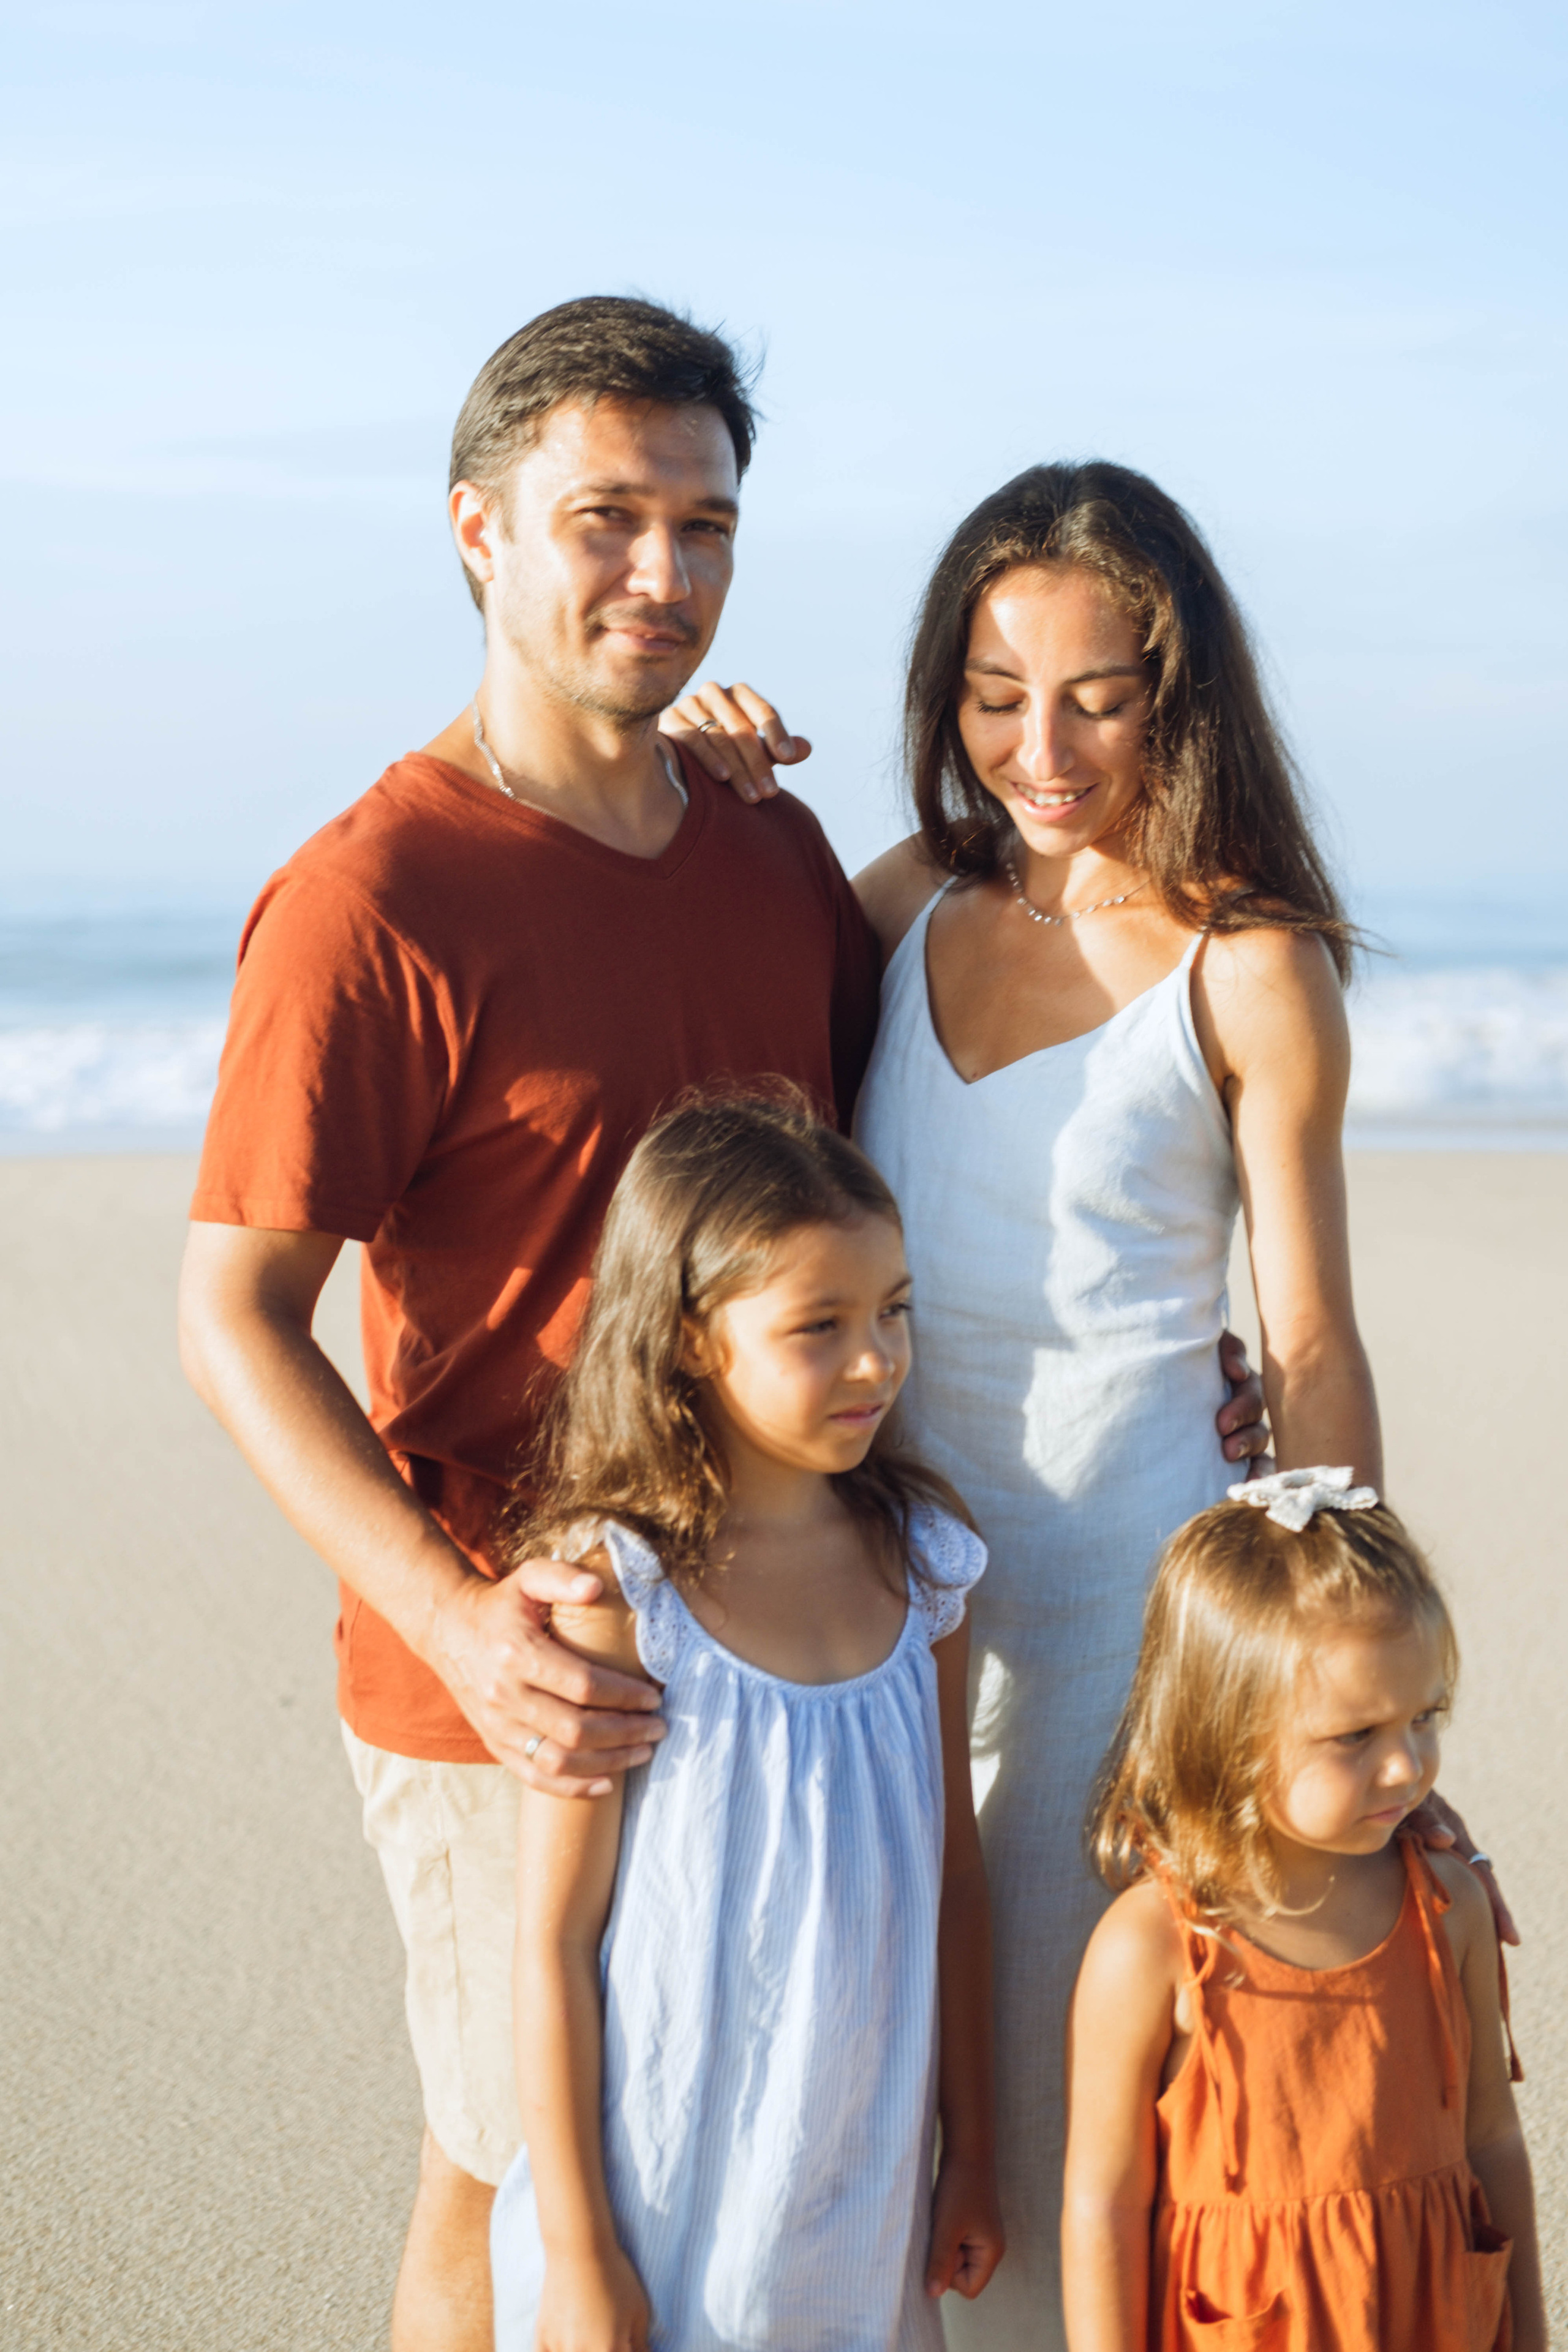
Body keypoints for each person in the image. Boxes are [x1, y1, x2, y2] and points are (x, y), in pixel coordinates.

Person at [660, 459, 1507, 2346]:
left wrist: (1328, 1653)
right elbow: (706, 1064)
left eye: (1097, 695)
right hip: (878, 1627)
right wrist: (710, 779)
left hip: (1129, 1638)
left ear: (1175, 692)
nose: (1041, 747)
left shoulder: (1249, 959)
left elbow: (1306, 1334)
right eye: (992, 693)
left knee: (1084, 2158)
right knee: (873, 2127)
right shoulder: (899, 901)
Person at [176, 296, 887, 2352]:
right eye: (605, 520)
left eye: (705, 525)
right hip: (521, 1659)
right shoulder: (374, 900)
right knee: (508, 2189)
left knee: (728, 2165)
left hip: (773, 1634)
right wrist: (459, 1625)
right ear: (477, 529)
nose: (662, 577)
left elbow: (886, 1146)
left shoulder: (767, 844)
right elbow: (236, 1317)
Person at [489, 1093, 1005, 2350]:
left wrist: (974, 2153)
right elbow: (551, 1946)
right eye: (817, 1328)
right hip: (657, 2200)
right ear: (686, 1341)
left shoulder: (922, 1565)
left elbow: (950, 1878)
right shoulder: (620, 1594)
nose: (877, 1359)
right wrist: (577, 2252)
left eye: (893, 1312)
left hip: (856, 2200)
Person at [1063, 1470, 1543, 2352]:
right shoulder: (1155, 1948)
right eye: (1356, 1736)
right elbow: (1104, 2205)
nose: (1406, 1769)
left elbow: (1493, 2139)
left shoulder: (1451, 1909)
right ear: (1225, 1731)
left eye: (1424, 1717)